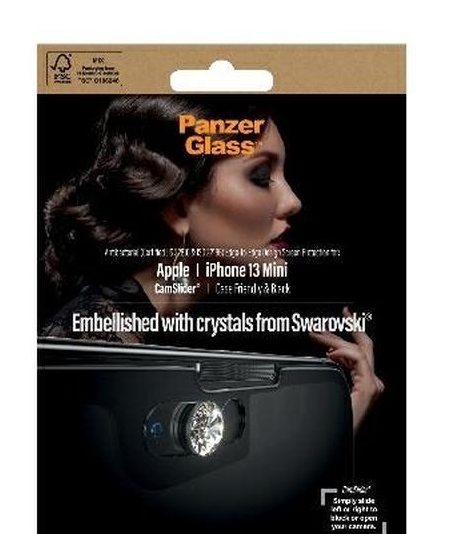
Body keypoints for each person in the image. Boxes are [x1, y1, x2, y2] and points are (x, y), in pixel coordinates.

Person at [40, 96, 383, 430]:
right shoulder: (95, 344)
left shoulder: (147, 330)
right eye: (261, 176)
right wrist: (336, 432)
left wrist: (341, 423)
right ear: (178, 207)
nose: (293, 202)